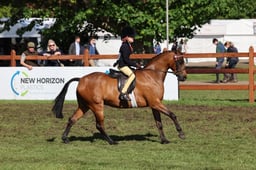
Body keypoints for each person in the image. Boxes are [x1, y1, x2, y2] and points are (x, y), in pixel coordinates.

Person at [113, 26, 141, 101]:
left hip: (124, 64)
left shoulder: (127, 45)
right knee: (132, 75)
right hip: (122, 65)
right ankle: (123, 92)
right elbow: (126, 59)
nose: (133, 38)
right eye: (131, 37)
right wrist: (135, 64)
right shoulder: (125, 46)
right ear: (127, 37)